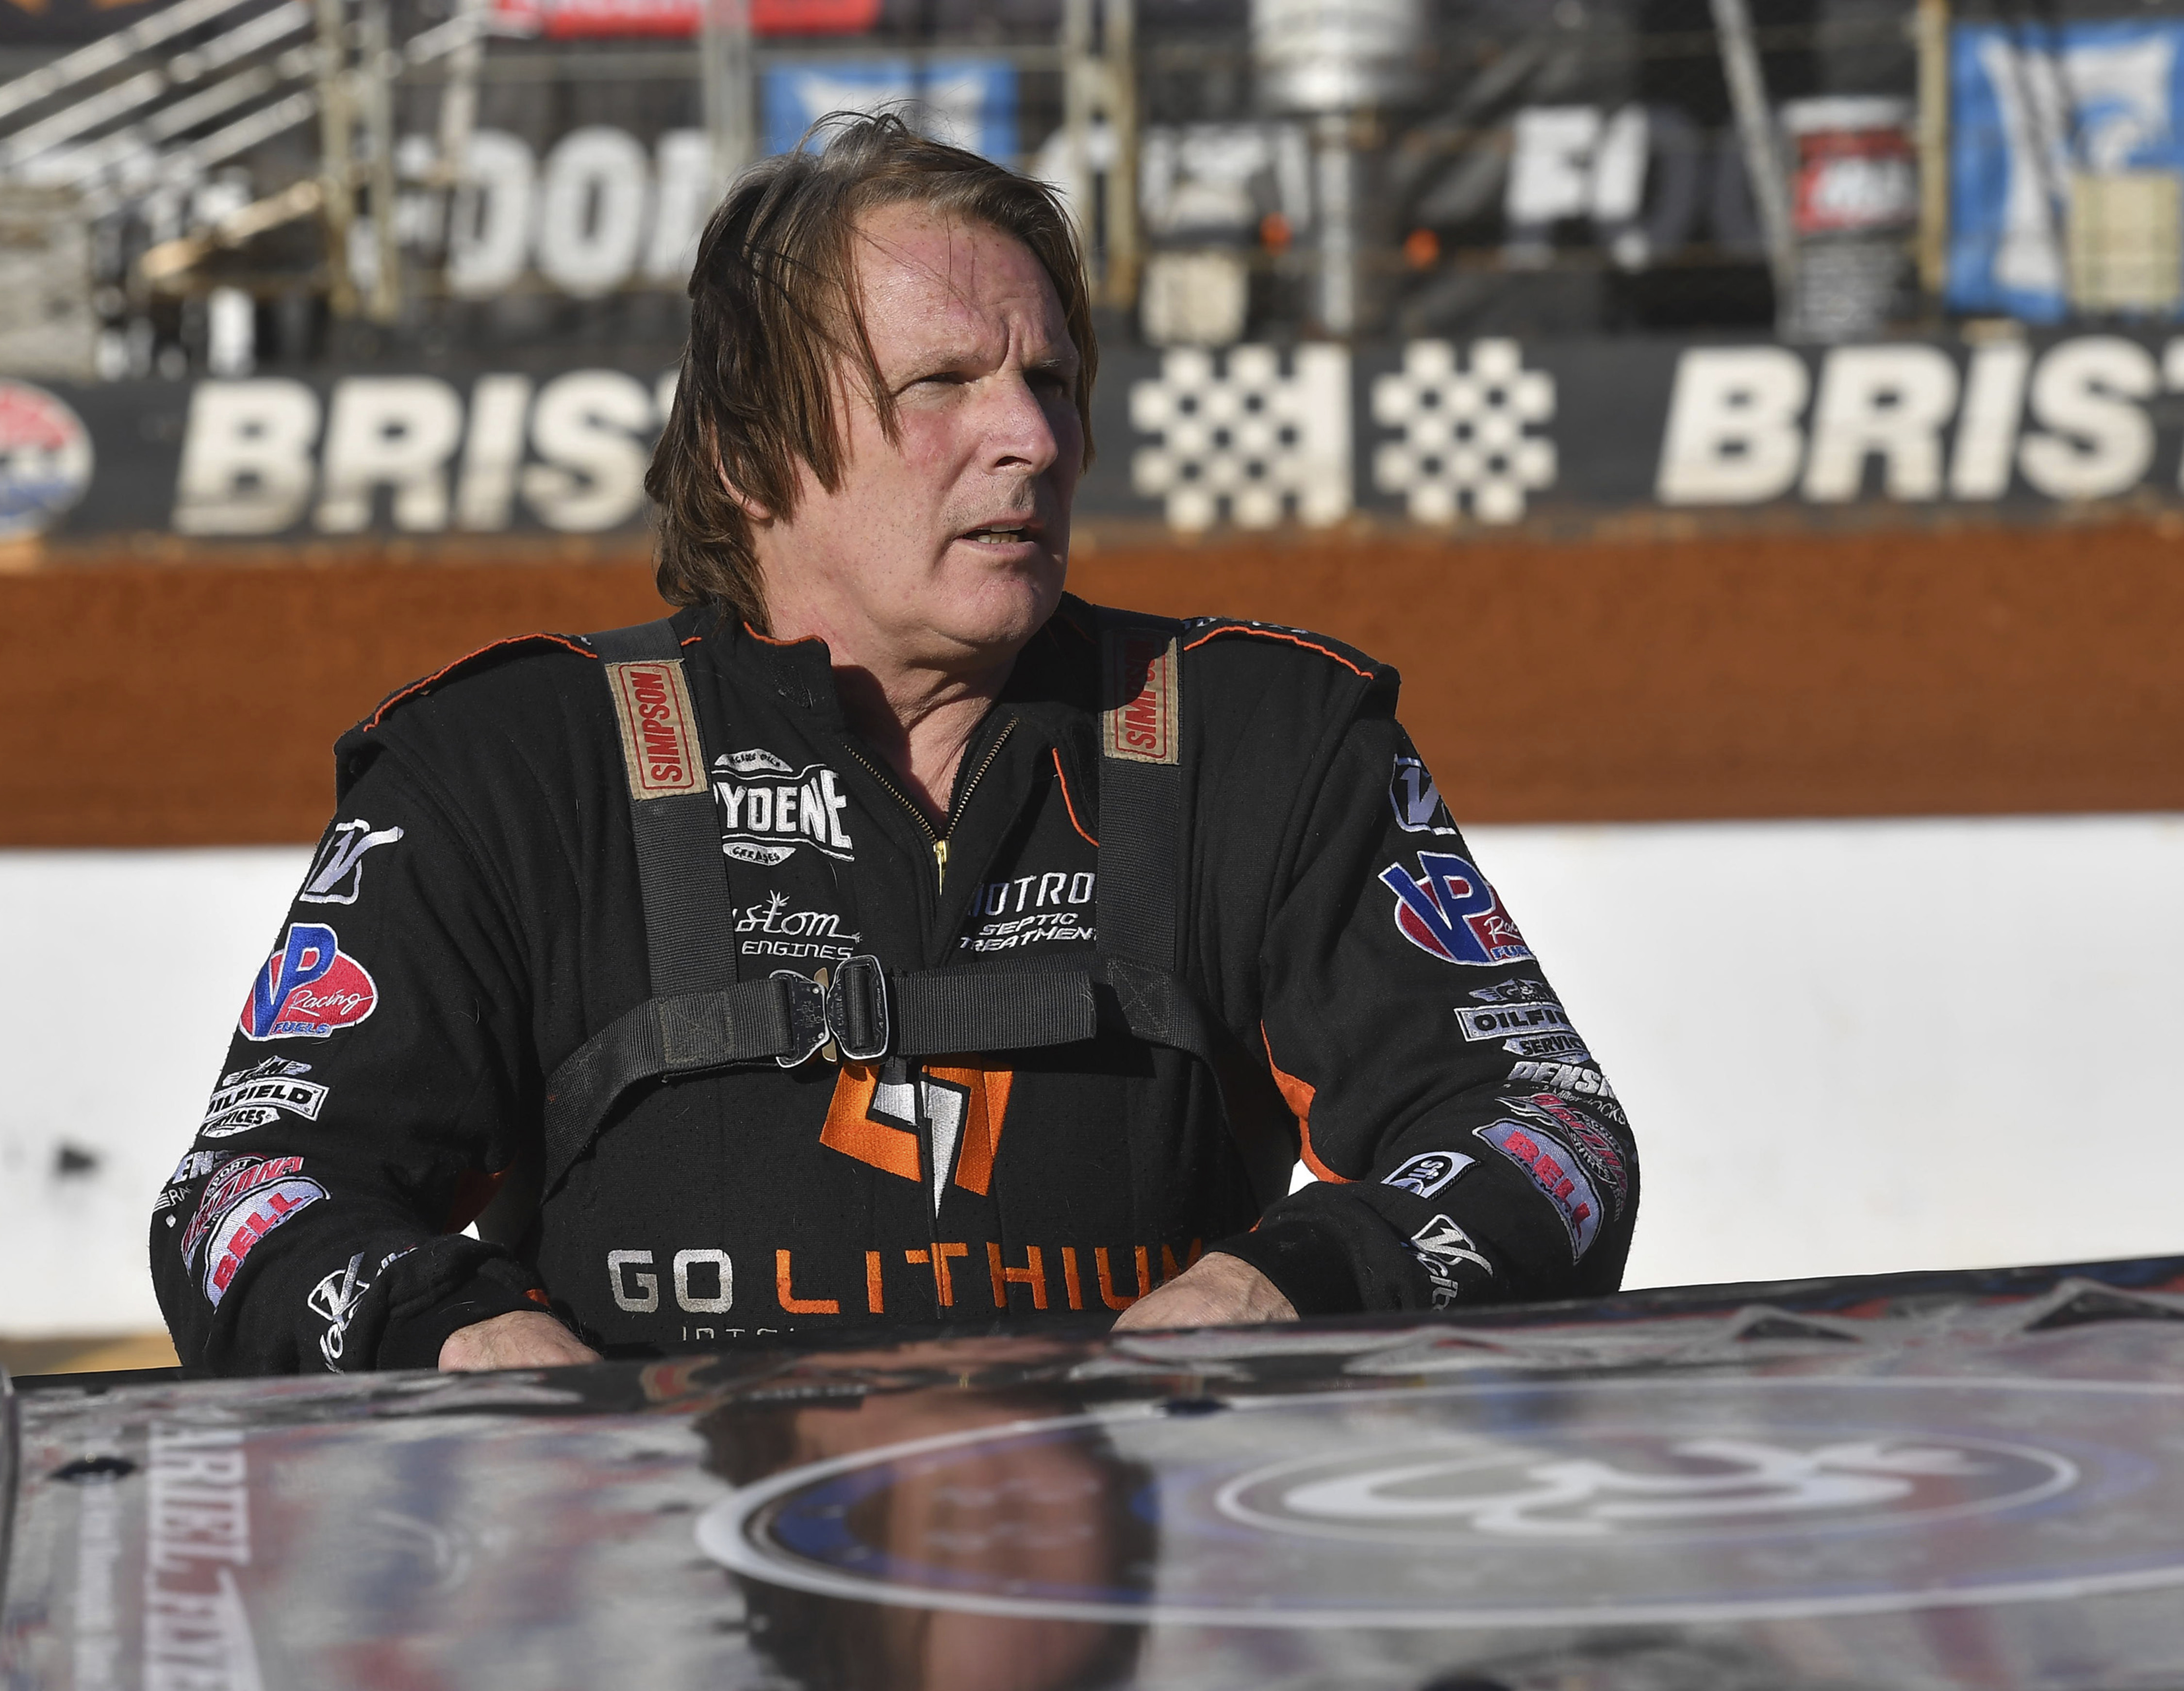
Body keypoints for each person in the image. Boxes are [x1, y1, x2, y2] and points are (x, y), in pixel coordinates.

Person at [149, 115, 1637, 1377]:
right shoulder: (509, 769)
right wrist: (461, 1340)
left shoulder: (1268, 737)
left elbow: (1548, 1132)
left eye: (1050, 381)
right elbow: (248, 1197)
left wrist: (1292, 1285)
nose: (1033, 441)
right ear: (744, 456)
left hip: (1149, 1597)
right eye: (941, 386)